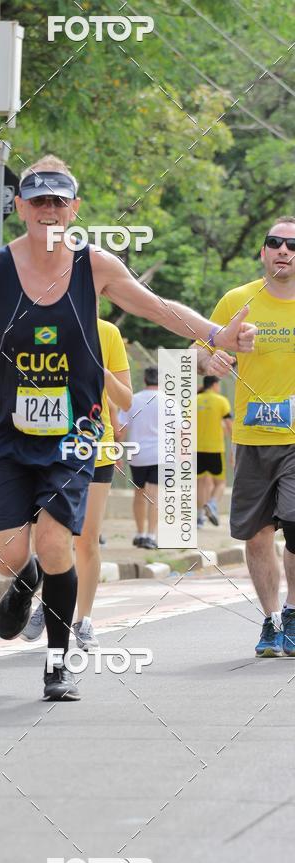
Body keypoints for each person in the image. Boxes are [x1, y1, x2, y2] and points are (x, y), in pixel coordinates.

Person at [0, 154, 255, 702]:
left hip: (74, 435)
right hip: (9, 434)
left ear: (75, 208)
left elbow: (156, 307)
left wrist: (214, 335)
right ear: (19, 207)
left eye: (59, 201)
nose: (49, 211)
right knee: (9, 555)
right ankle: (23, 580)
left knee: (55, 540)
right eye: (38, 201)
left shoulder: (95, 265)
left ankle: (57, 664)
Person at [196, 216, 295, 658]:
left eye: (292, 245)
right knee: (256, 536)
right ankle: (272, 619)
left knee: (294, 526)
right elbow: (202, 348)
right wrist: (213, 361)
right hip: (252, 437)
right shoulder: (239, 300)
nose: (283, 251)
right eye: (274, 242)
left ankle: (293, 615)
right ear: (262, 251)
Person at [21, 318, 132, 650]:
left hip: (95, 449)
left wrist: (103, 369)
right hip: (50, 449)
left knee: (86, 540)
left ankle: (82, 620)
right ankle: (51, 603)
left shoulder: (107, 332)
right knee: (52, 539)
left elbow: (125, 400)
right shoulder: (42, 326)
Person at [118, 367, 159, 550]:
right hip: (160, 454)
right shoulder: (170, 401)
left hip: (137, 455)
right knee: (155, 495)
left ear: (144, 379)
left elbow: (120, 429)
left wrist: (116, 451)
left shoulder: (133, 400)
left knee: (139, 493)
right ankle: (151, 535)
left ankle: (140, 533)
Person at [196, 375, 232, 527]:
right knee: (220, 483)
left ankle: (199, 518)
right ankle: (212, 503)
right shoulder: (221, 401)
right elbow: (230, 426)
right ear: (215, 385)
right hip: (215, 448)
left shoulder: (193, 401)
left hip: (196, 448)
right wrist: (235, 449)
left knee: (201, 483)